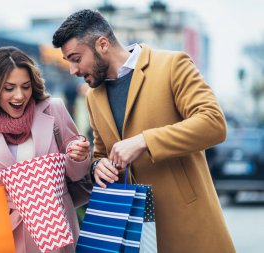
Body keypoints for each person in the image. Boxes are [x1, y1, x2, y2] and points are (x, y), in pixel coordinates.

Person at [52, 9, 235, 253]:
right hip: (130, 234)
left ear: (102, 44)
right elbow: (102, 153)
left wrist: (144, 141)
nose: (73, 70)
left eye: (76, 58)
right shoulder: (94, 97)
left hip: (186, 223)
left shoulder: (172, 64)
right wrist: (98, 166)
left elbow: (213, 123)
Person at [0, 46, 91, 253]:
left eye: (25, 86)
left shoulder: (53, 110)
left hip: (55, 231)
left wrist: (79, 157)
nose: (19, 96)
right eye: (9, 88)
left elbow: (77, 175)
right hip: (2, 234)